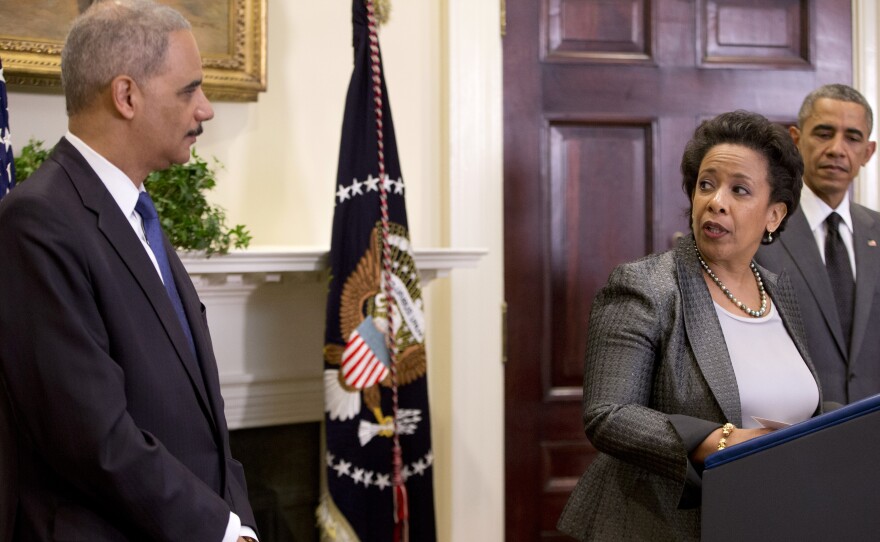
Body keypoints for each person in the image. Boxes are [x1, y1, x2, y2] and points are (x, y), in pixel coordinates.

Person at [0, 1, 258, 540]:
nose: (205, 110)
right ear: (126, 96)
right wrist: (221, 533)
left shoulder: (136, 212)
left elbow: (205, 425)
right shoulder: (37, 221)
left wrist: (239, 523)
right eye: (190, 90)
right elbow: (93, 439)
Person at [557, 110, 824, 541]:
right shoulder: (645, 286)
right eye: (706, 184)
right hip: (662, 524)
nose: (716, 201)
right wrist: (721, 441)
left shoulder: (779, 292)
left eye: (739, 190)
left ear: (774, 215)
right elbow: (608, 415)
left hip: (769, 518)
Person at [756, 84, 880, 404]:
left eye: (852, 138)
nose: (837, 149)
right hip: (796, 432)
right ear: (795, 140)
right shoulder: (759, 230)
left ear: (868, 152)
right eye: (824, 134)